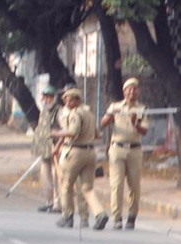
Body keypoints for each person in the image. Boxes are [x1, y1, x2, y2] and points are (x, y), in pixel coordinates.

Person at [53, 87, 108, 230]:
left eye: (71, 100)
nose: (67, 103)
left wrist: (56, 134)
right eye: (66, 100)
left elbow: (72, 132)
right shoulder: (88, 113)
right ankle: (100, 213)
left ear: (77, 100)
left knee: (66, 185)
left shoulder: (75, 114)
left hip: (75, 152)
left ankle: (67, 216)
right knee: (87, 188)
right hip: (90, 152)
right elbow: (98, 134)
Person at [102, 76, 150, 230]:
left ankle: (132, 216)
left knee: (134, 185)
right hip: (117, 149)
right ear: (124, 92)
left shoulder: (142, 109)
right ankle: (116, 217)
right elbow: (103, 123)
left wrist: (135, 122)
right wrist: (111, 115)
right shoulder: (115, 106)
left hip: (134, 149)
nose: (132, 92)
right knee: (116, 184)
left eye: (135, 89)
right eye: (129, 89)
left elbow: (144, 131)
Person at [32, 85, 60, 213]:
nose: (47, 100)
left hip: (56, 149)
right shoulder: (43, 111)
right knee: (46, 177)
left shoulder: (59, 111)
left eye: (50, 97)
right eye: (46, 97)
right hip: (44, 149)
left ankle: (57, 203)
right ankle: (48, 201)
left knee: (57, 177)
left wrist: (58, 145)